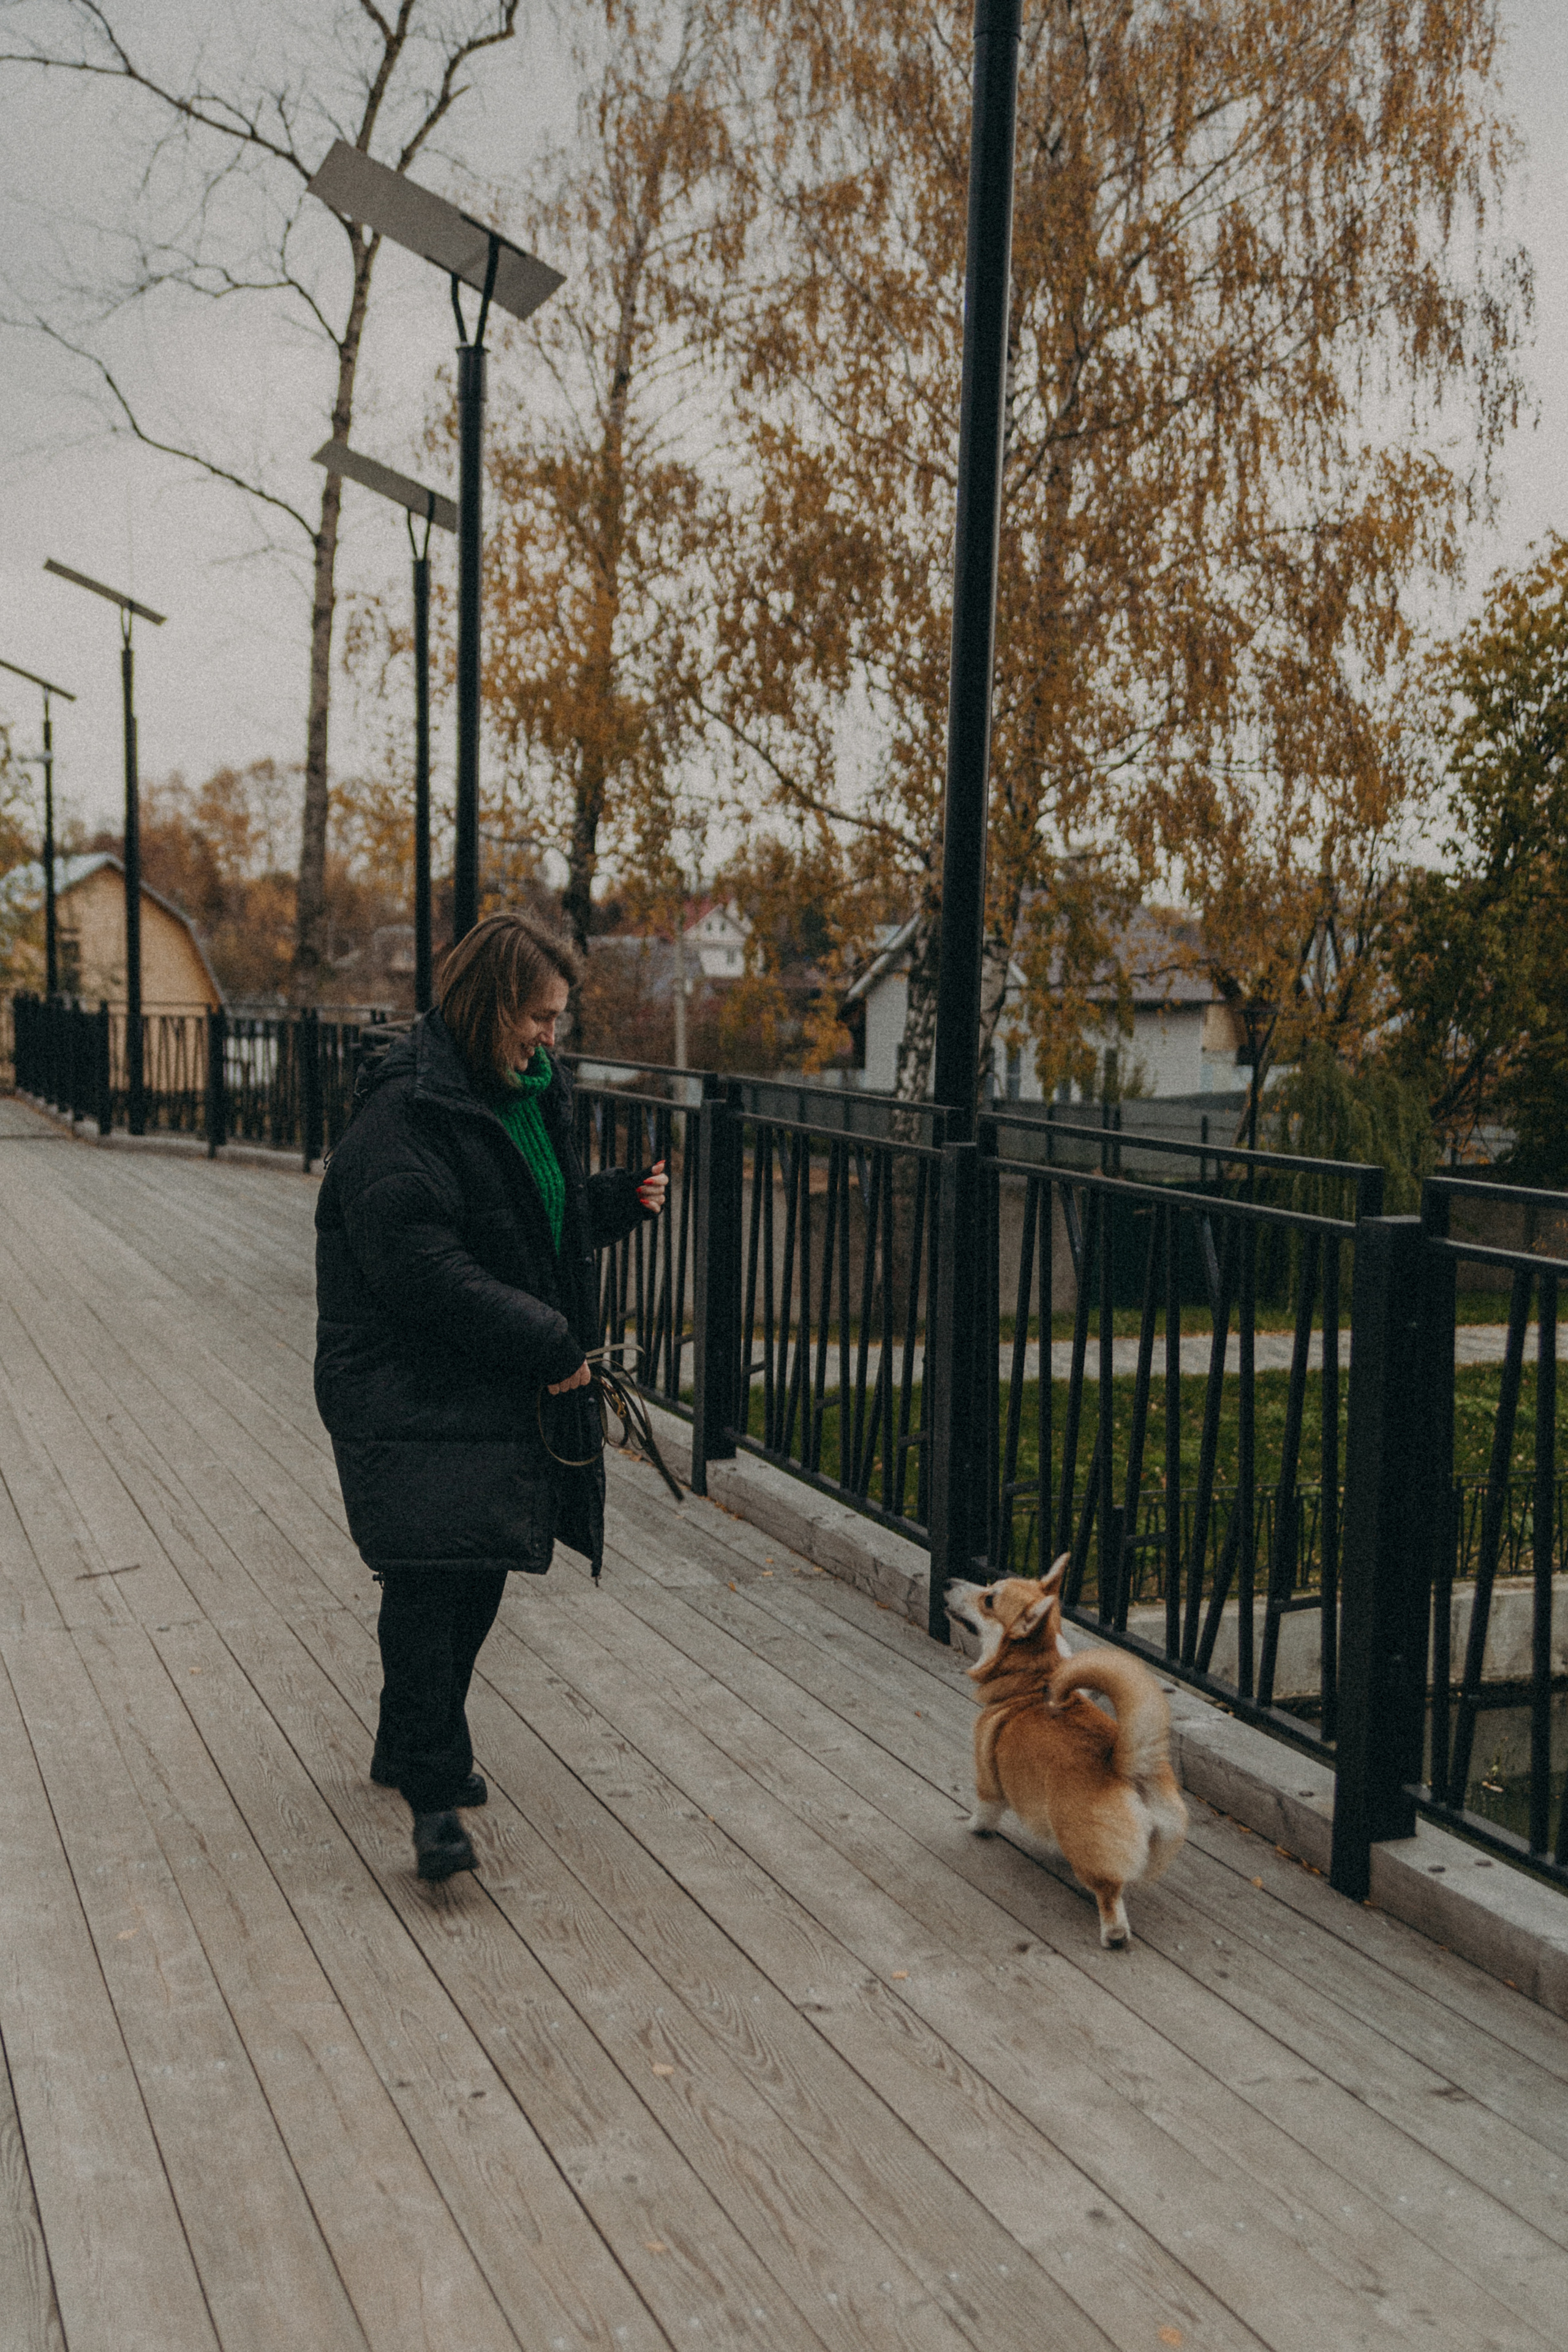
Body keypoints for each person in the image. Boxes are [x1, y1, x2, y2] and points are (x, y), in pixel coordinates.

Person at [313, 911, 668, 1881]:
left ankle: (406, 1742)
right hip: (404, 1378)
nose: (552, 1035)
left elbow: (522, 1226)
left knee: (473, 1570)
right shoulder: (402, 1117)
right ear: (492, 1004)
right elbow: (421, 1265)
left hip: (482, 1369)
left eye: (559, 1017)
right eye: (540, 1016)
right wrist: (549, 1338)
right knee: (433, 1573)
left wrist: (606, 1202)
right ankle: (434, 1798)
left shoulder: (525, 1094)